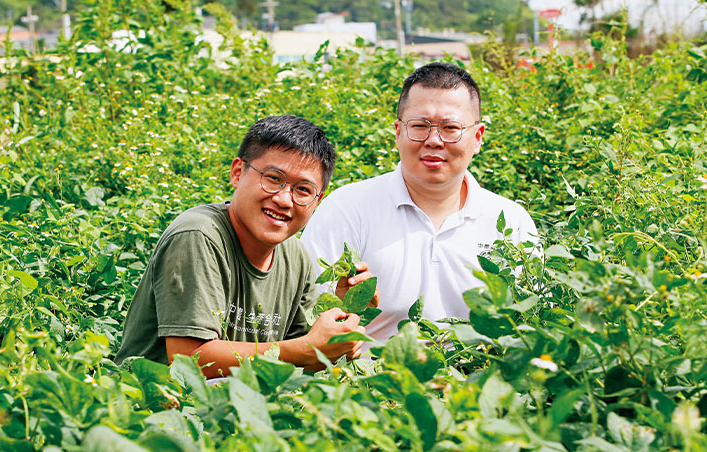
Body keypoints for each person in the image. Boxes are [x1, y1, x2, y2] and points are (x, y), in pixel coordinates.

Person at [114, 115, 367, 378]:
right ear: (237, 173)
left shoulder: (296, 256)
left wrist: (344, 312)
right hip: (151, 398)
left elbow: (305, 360)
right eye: (273, 178)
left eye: (303, 190)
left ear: (317, 200)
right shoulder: (198, 235)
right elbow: (188, 360)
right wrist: (305, 349)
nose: (284, 199)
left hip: (237, 399)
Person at [301, 62, 538, 341]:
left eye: (451, 127)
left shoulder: (512, 222)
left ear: (477, 138)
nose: (434, 140)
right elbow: (307, 319)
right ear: (398, 132)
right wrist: (344, 305)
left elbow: (531, 325)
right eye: (419, 126)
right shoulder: (346, 209)